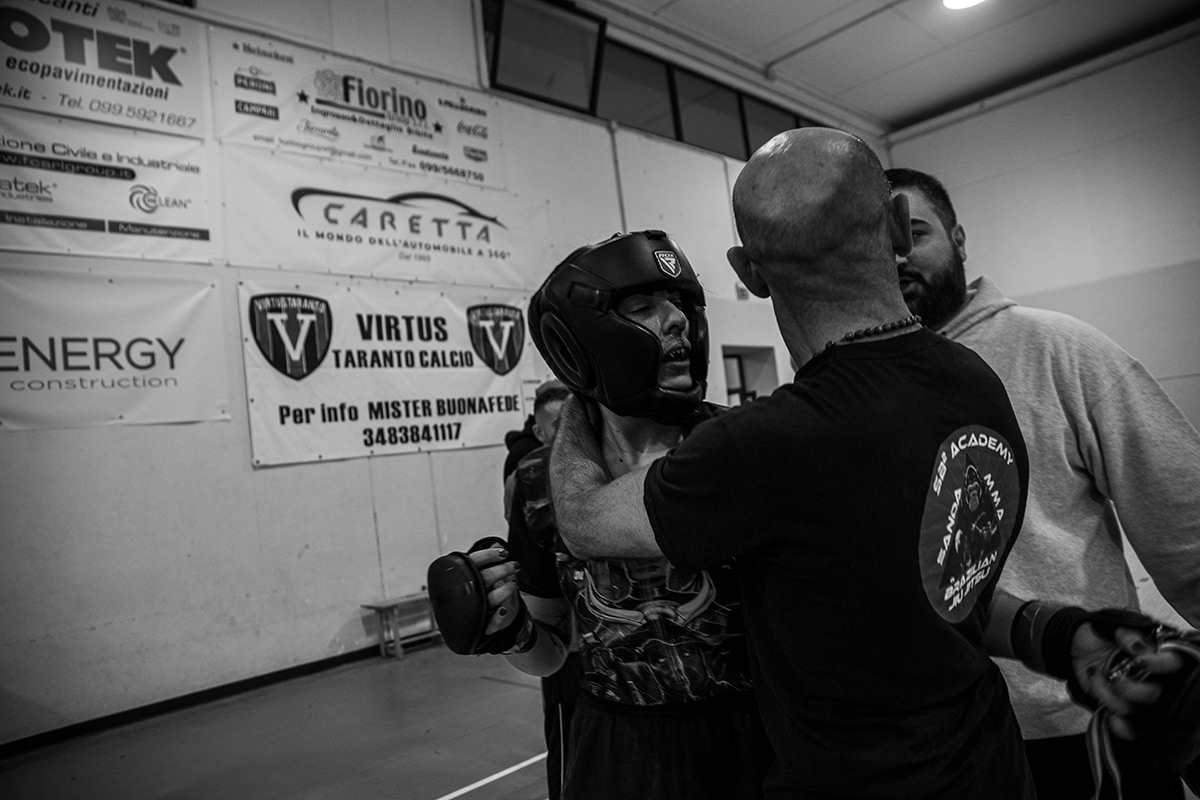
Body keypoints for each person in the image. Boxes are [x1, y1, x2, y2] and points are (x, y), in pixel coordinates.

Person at [545, 129, 1181, 799]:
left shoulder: (762, 446)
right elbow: (936, 591)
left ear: (749, 272)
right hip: (989, 766)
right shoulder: (974, 380)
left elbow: (584, 520)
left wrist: (578, 392)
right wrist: (1057, 634)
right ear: (899, 227)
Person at [886, 166, 1200, 800]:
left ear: (958, 238)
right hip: (943, 746)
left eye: (913, 234)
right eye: (876, 244)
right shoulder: (857, 390)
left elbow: (1185, 520)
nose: (896, 258)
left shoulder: (1058, 348)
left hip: (1084, 719)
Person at [434, 230, 772, 800]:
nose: (677, 320)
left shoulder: (739, 447)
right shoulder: (541, 484)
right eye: (643, 307)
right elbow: (551, 652)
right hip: (615, 750)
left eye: (680, 303)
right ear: (578, 343)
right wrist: (508, 629)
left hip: (751, 739)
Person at [503, 381, 569, 521]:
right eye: (558, 424)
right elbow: (518, 524)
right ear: (539, 432)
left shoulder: (587, 453)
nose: (568, 429)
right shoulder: (525, 463)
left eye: (572, 421)